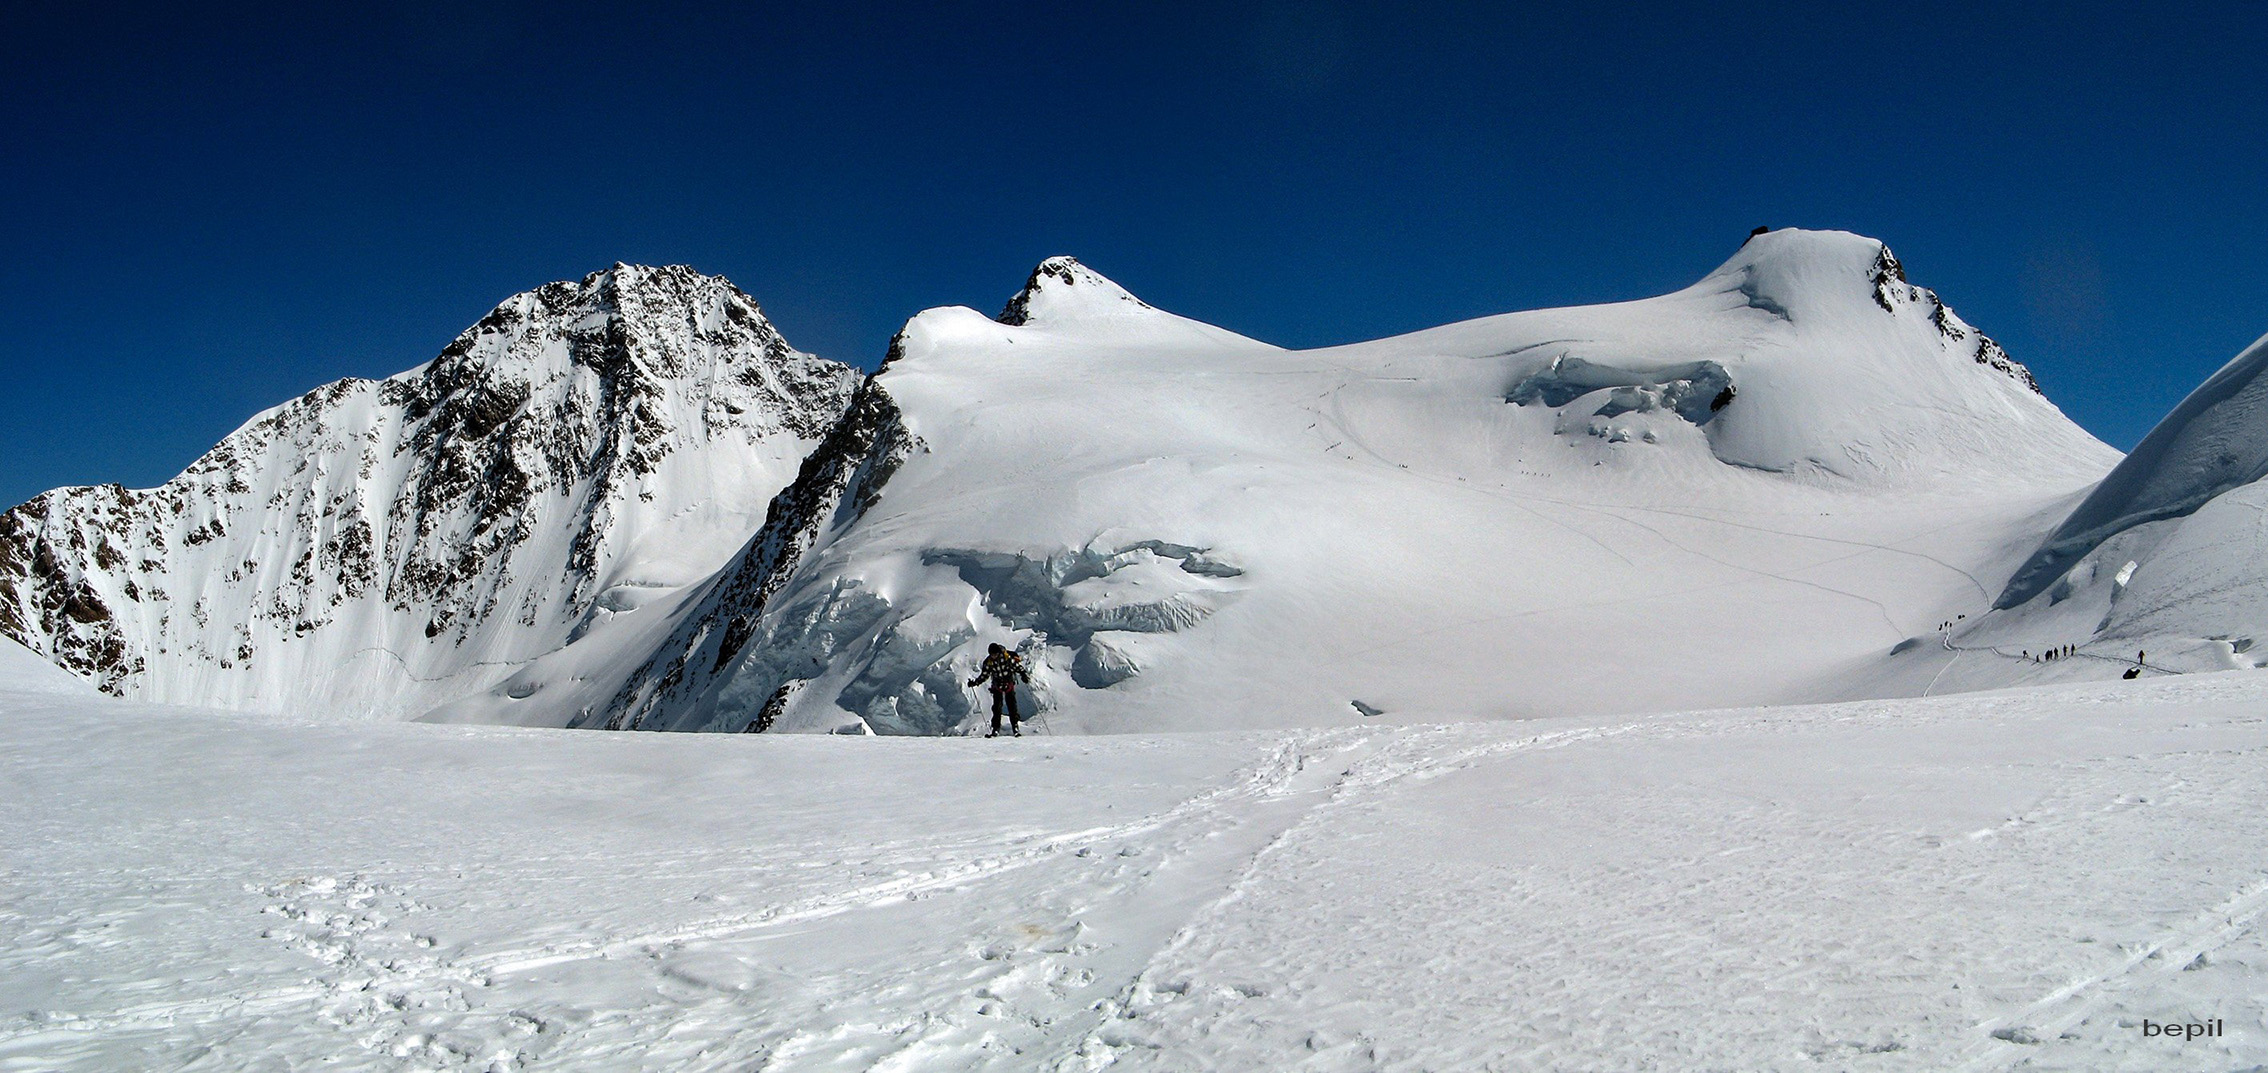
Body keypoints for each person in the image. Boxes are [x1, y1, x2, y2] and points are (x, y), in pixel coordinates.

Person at [968, 643, 1032, 737]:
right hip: (997, 685)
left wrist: (1023, 674)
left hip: (1008, 682)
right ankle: (995, 728)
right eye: (992, 654)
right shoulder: (989, 662)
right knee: (997, 708)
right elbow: (984, 675)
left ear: (998, 652)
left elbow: (1016, 666)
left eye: (995, 654)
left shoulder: (1006, 657)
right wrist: (975, 682)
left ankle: (1015, 727)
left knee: (1012, 706)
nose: (994, 656)